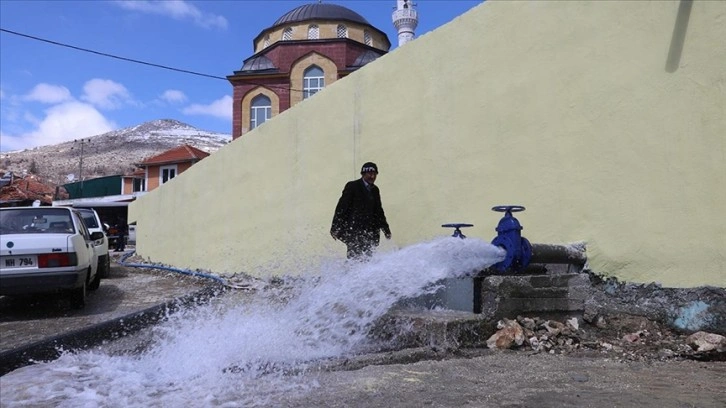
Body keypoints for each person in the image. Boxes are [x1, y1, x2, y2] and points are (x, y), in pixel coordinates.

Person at [331, 162, 392, 259]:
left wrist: (386, 229)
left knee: (369, 259)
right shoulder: (353, 186)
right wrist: (335, 226)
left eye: (374, 174)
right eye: (369, 174)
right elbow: (342, 207)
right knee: (355, 258)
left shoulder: (375, 190)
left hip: (371, 232)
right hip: (355, 231)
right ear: (363, 174)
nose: (372, 176)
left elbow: (379, 211)